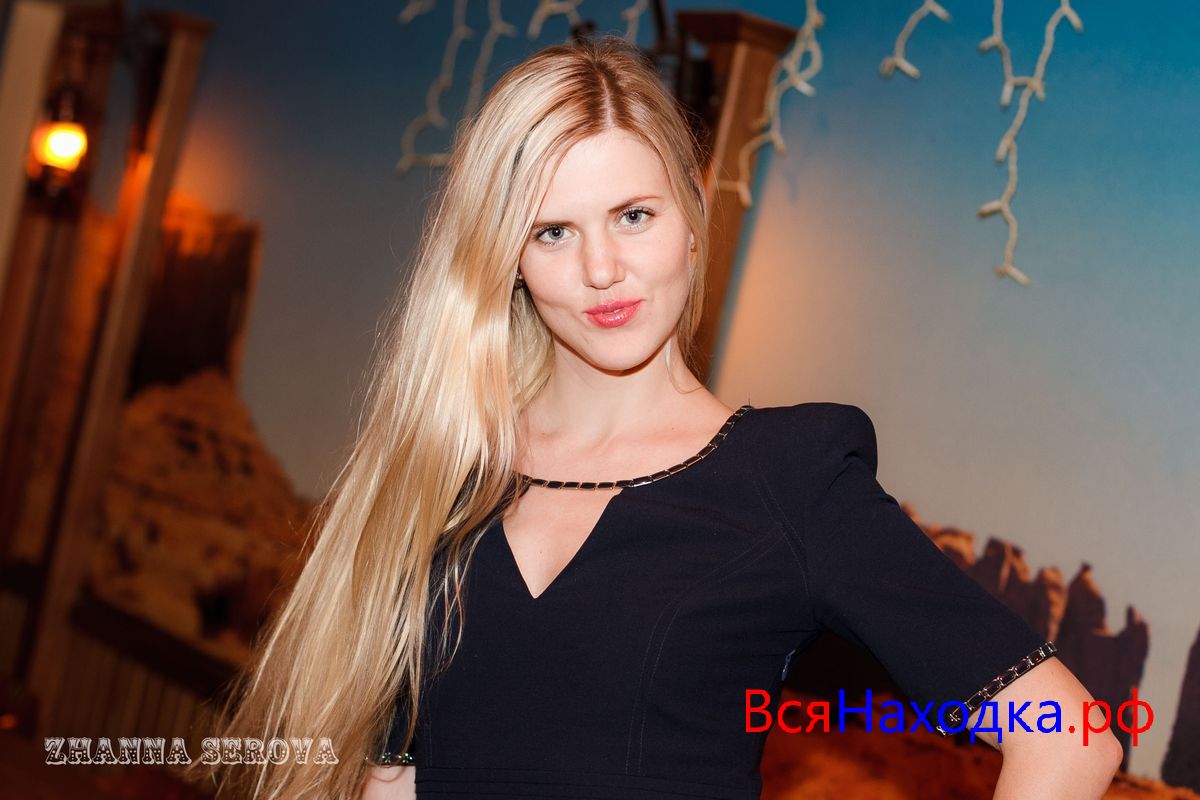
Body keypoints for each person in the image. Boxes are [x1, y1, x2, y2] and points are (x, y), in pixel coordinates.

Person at [189, 36, 1122, 800]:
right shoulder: (446, 469)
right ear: (507, 260)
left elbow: (1071, 737)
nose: (602, 269)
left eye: (633, 215)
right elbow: (394, 777)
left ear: (690, 219)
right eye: (553, 231)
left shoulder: (790, 480)